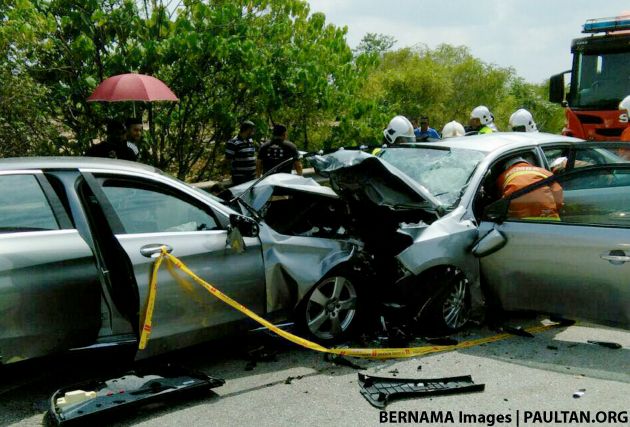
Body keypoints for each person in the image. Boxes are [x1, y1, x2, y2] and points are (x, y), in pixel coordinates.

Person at [496, 157, 563, 220]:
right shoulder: (545, 172)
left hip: (518, 222)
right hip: (549, 220)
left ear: (507, 166)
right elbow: (558, 194)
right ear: (526, 162)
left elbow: (499, 202)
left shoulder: (503, 177)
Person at [225, 120, 257, 184]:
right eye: (252, 130)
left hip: (252, 176)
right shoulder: (233, 142)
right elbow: (227, 160)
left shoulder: (250, 141)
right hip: (240, 178)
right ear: (248, 130)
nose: (254, 132)